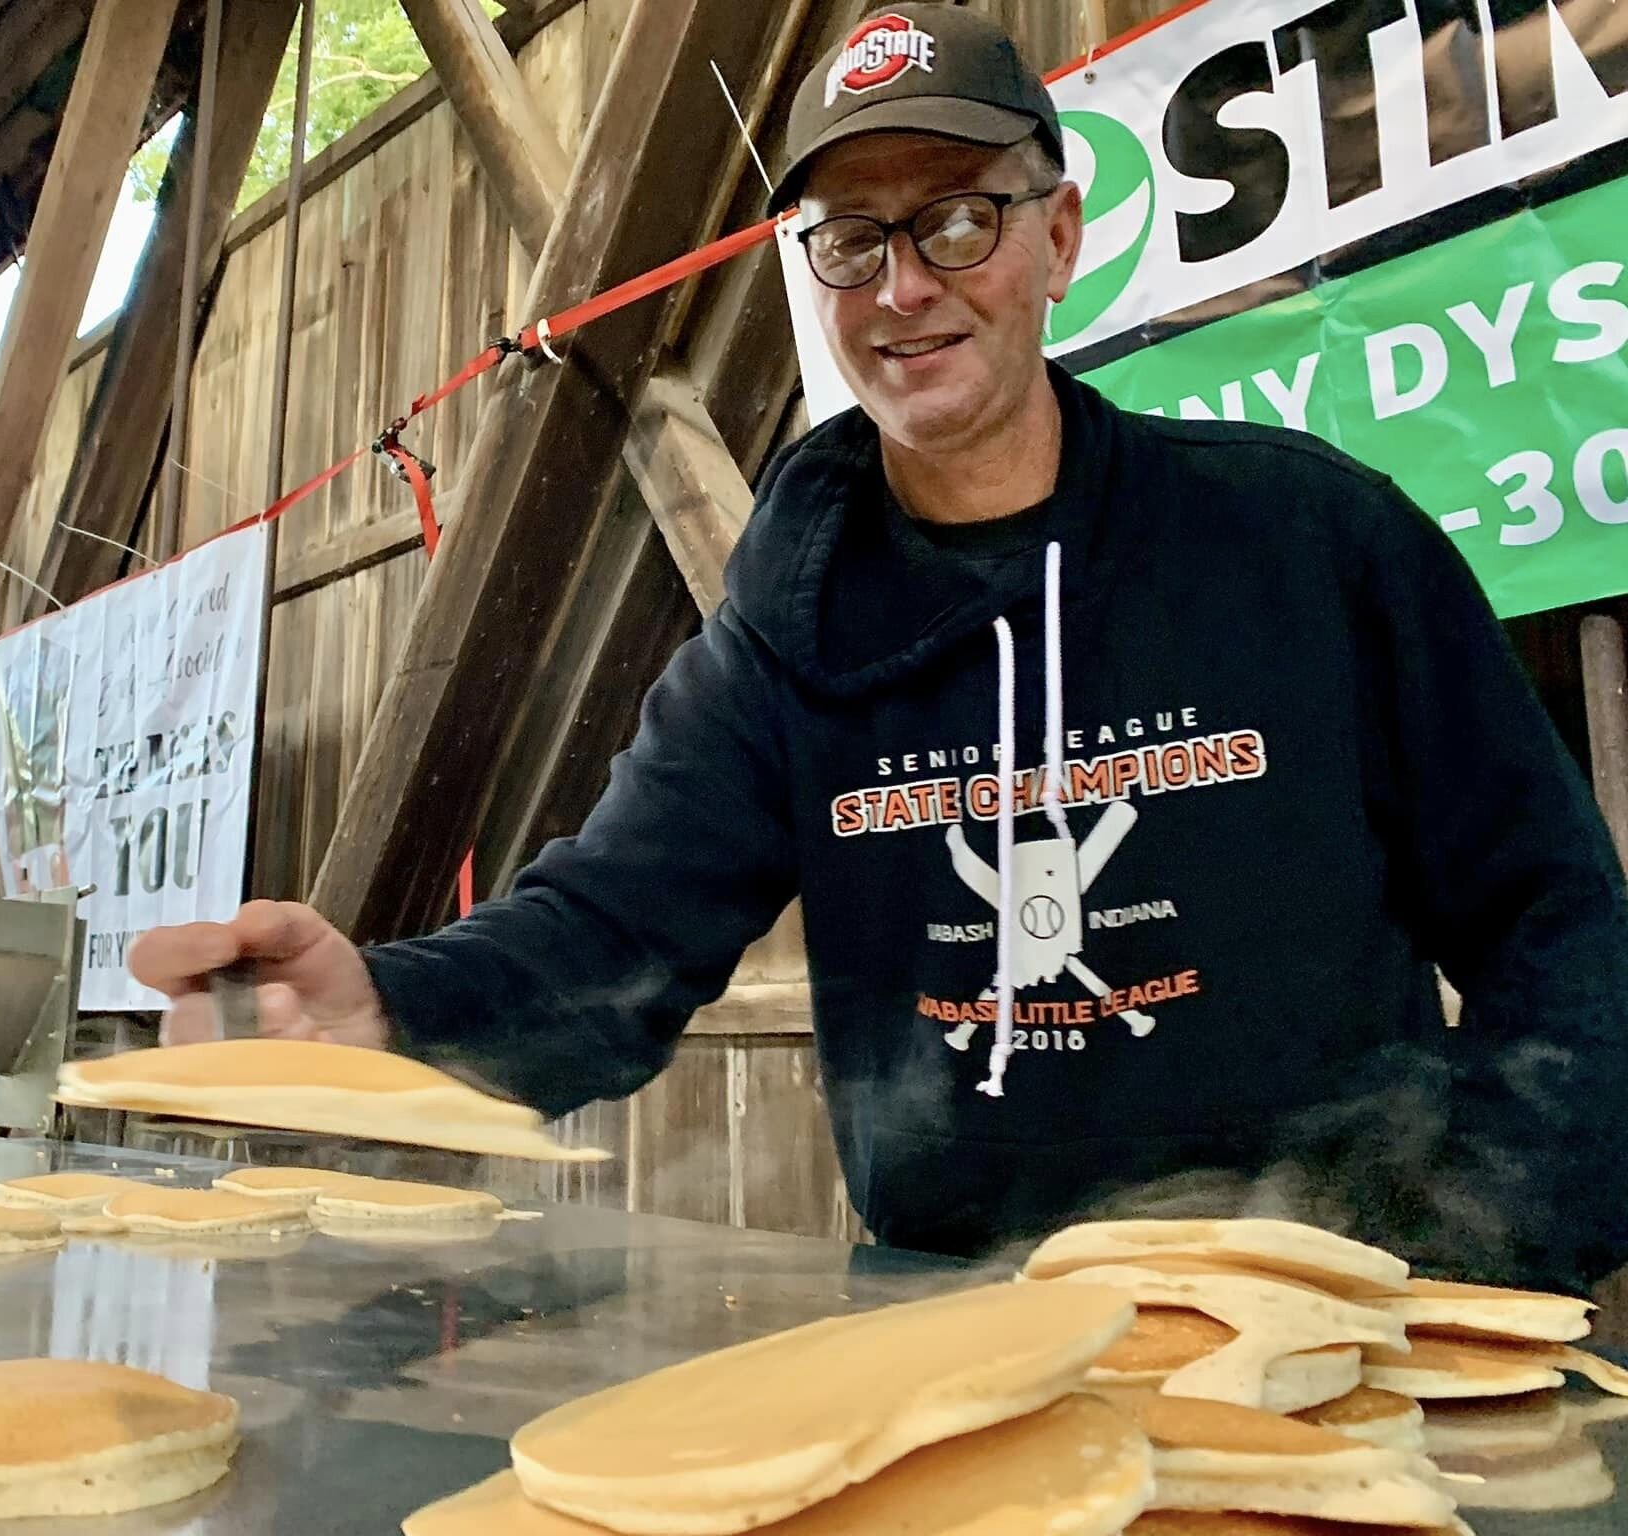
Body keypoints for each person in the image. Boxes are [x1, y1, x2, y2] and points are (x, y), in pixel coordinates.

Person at [130, 6, 1628, 1285]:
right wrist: (389, 1008)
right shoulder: (791, 628)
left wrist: (1467, 1237)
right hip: (953, 1331)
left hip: (1332, 1313)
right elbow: (609, 938)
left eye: (957, 219)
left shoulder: (1307, 540)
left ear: (1059, 234)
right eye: (852, 241)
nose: (905, 287)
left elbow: (1558, 923)